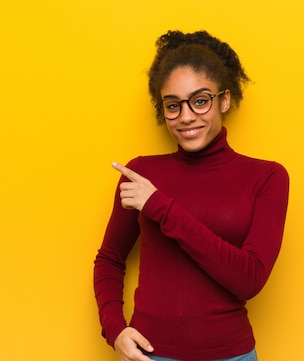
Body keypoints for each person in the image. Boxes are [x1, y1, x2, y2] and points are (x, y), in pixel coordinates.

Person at [93, 30, 289, 361]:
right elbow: (110, 259)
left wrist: (160, 207)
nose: (185, 117)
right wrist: (115, 331)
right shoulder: (140, 174)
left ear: (224, 99)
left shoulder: (267, 177)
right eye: (173, 105)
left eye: (200, 100)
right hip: (151, 355)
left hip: (231, 356)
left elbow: (249, 279)